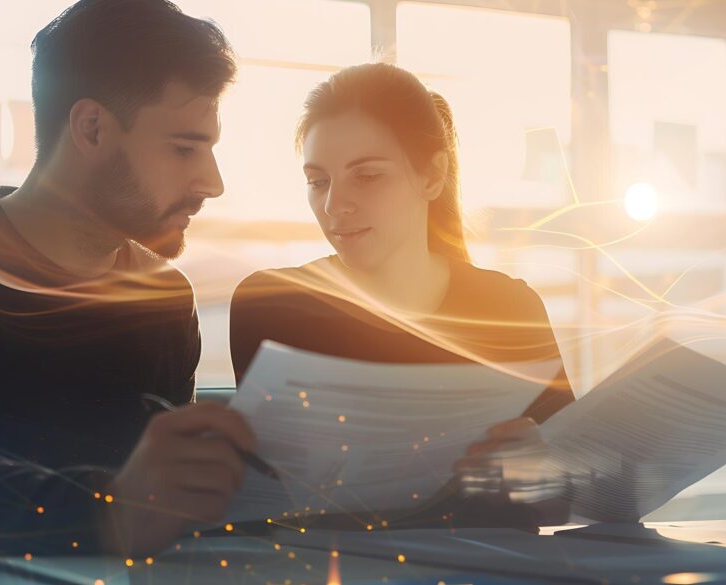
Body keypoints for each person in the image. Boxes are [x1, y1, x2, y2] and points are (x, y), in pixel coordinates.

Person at [0, 0, 254, 555]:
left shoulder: (163, 295)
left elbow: (158, 498)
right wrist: (106, 513)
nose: (212, 182)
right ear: (91, 127)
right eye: (183, 148)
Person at [229, 63, 574, 526]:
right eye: (318, 181)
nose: (334, 206)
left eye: (366, 176)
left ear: (431, 176)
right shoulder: (272, 304)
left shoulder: (509, 308)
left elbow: (569, 494)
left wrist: (542, 469)